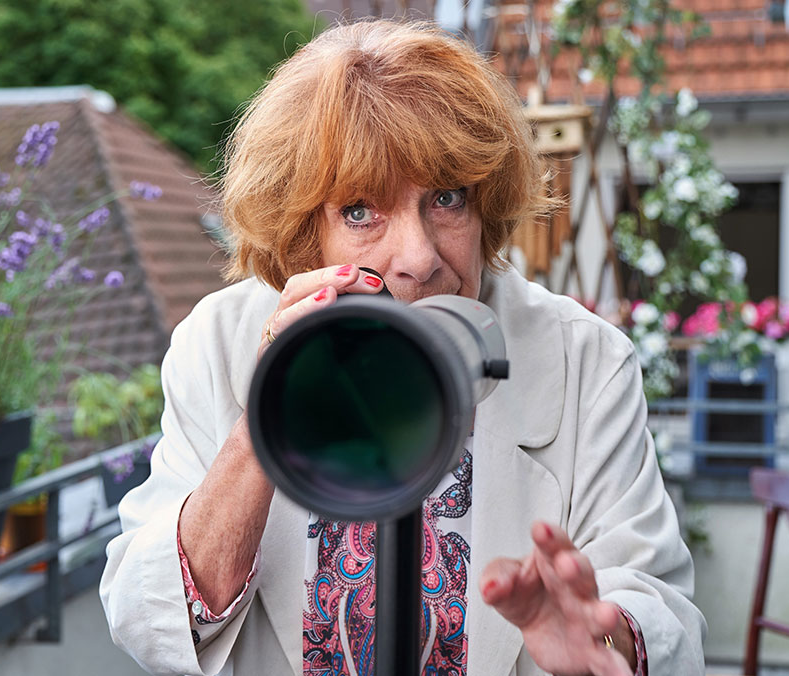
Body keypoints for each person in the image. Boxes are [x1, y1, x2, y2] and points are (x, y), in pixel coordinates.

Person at [100, 19, 706, 676]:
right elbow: (148, 618)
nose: (418, 257)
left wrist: (606, 642)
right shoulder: (219, 341)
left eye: (447, 199)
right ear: (306, 235)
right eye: (361, 210)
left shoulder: (585, 359)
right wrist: (271, 411)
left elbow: (660, 609)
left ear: (485, 206)